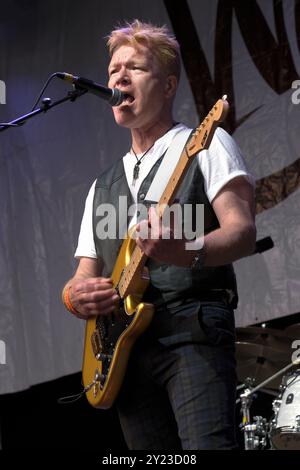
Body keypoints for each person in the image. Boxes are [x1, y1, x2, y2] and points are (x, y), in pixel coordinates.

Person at [62, 19, 256, 450]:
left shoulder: (207, 143)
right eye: (114, 70)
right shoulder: (101, 185)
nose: (118, 78)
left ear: (168, 86)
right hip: (125, 352)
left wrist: (186, 250)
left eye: (135, 68)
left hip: (193, 331)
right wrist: (75, 296)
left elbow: (242, 232)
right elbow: (82, 275)